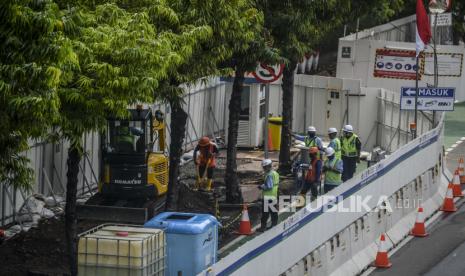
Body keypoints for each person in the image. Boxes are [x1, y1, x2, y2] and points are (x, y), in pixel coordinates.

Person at [258, 159, 280, 232]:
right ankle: (274, 224)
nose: (264, 168)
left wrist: (261, 186)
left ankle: (263, 227)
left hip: (268, 196)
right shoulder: (275, 173)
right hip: (274, 195)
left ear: (268, 166)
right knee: (274, 212)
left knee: (265, 213)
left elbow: (269, 186)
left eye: (264, 167)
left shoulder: (269, 175)